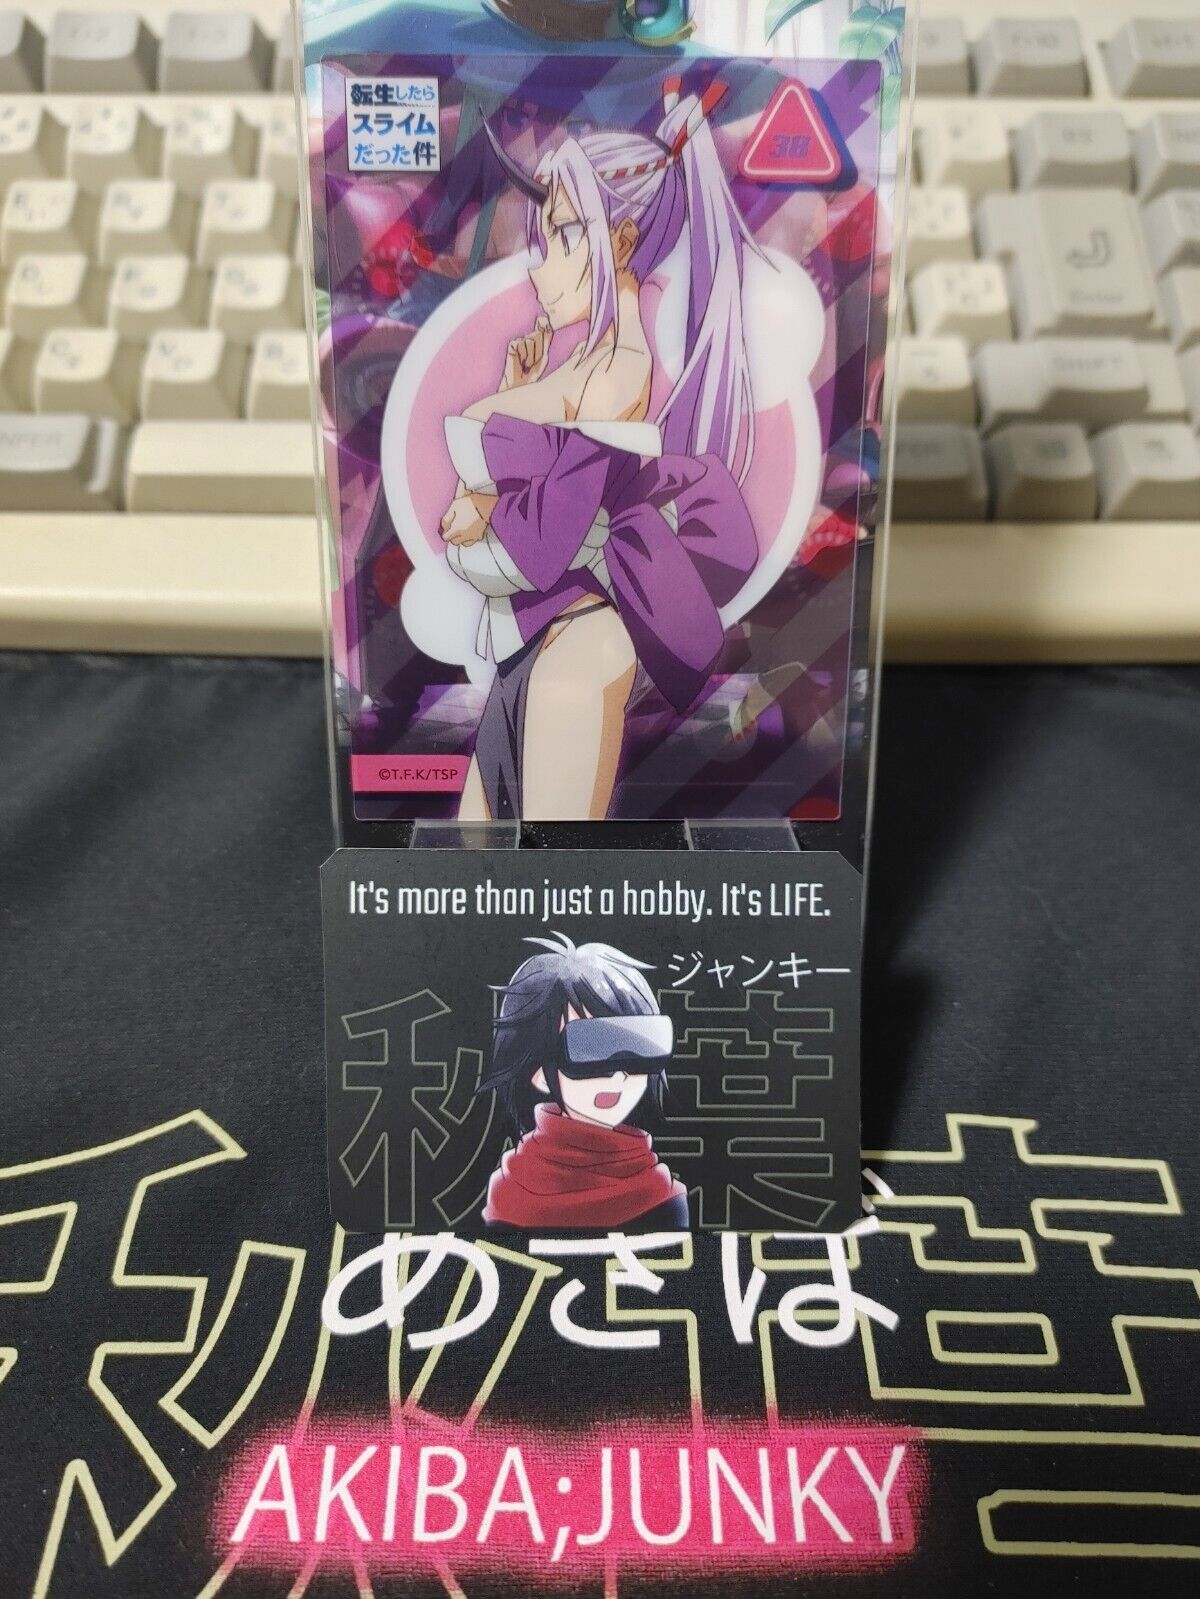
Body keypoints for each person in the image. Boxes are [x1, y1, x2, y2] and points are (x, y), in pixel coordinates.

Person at [437, 79, 760, 820]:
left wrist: (492, 473)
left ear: (620, 242)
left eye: (562, 236)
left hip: (579, 639)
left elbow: (529, 523)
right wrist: (517, 396)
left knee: (548, 861)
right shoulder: (581, 371)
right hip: (532, 638)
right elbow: (481, 494)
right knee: (471, 859)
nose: (539, 263)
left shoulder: (615, 377)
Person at [478, 933, 689, 1230]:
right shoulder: (511, 1192)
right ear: (540, 1072)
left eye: (637, 1046)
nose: (618, 1073)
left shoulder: (661, 1195)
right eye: (590, 1047)